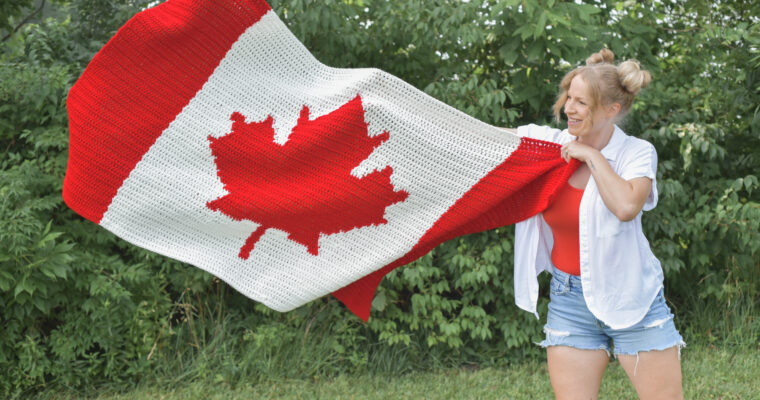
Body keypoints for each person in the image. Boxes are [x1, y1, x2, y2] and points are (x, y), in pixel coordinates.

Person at [504, 48, 686, 400]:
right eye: (568, 97)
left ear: (611, 110)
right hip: (569, 300)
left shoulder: (637, 152)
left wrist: (591, 154)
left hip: (633, 297)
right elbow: (482, 141)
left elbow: (626, 206)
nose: (568, 108)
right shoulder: (548, 145)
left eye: (582, 103)